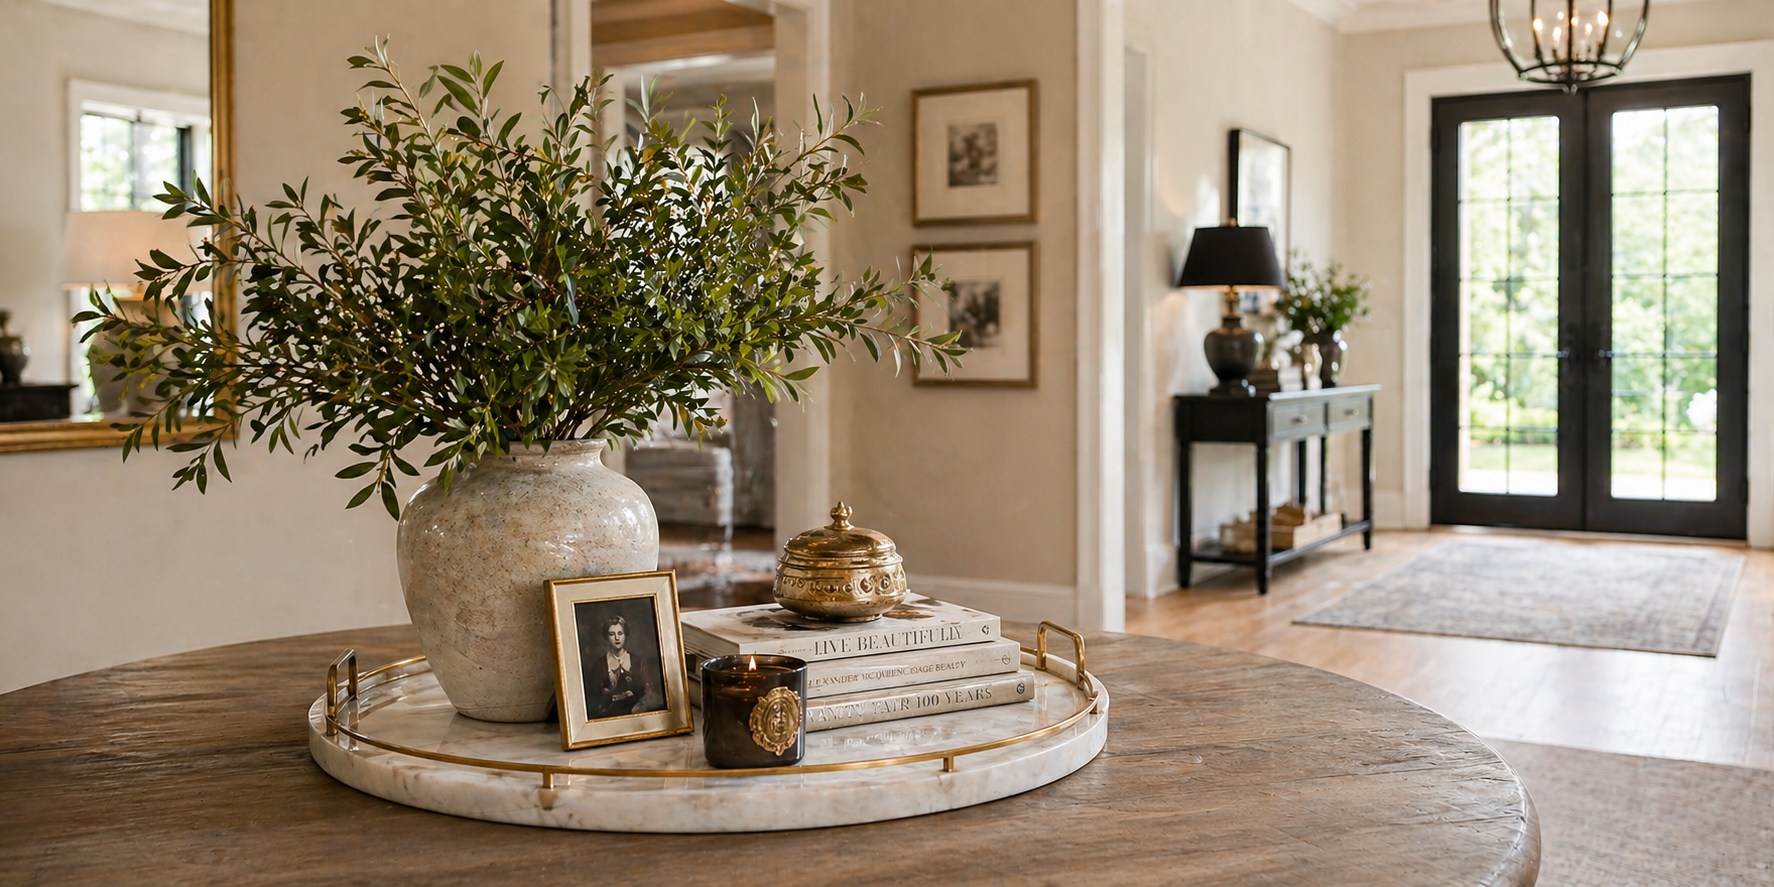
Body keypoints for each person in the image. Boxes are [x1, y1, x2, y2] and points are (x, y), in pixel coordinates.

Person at [584, 615, 662, 719]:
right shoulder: (599, 665)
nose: (617, 638)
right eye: (612, 634)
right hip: (609, 714)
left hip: (636, 713)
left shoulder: (639, 662)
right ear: (606, 636)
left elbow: (648, 691)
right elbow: (593, 697)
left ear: (625, 634)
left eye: (620, 633)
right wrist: (606, 695)